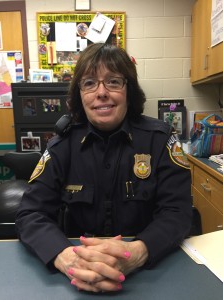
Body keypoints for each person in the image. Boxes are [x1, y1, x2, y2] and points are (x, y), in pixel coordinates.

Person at [15, 43, 192, 293]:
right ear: (80, 94)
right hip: (74, 278)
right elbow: (30, 213)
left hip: (148, 277)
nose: (101, 93)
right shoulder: (61, 146)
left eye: (113, 82)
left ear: (129, 91)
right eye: (89, 83)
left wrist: (138, 252)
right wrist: (66, 258)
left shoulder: (160, 140)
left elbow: (178, 211)